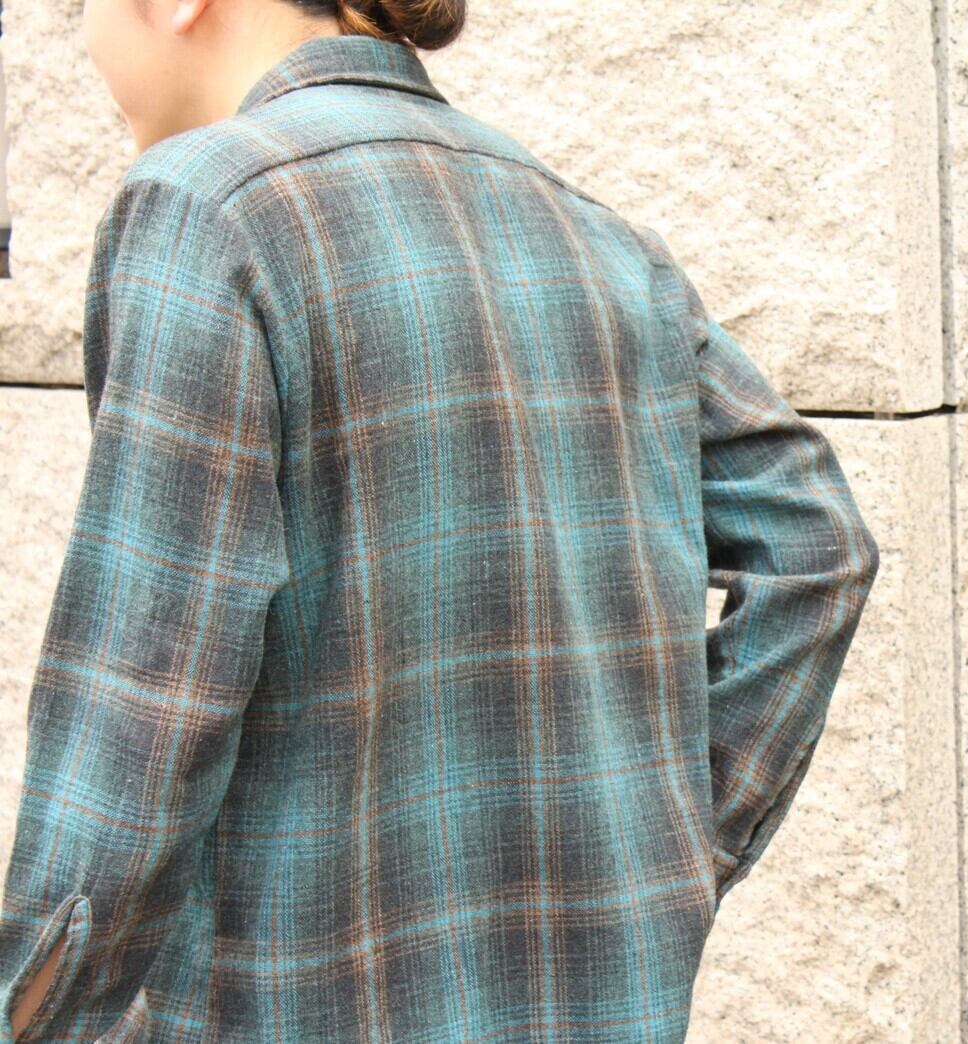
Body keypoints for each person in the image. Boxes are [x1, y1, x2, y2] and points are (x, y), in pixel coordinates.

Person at [0, 0, 882, 1038]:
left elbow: (143, 709)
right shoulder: (594, 239)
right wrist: (664, 855)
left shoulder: (207, 208)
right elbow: (816, 544)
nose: (86, 34)